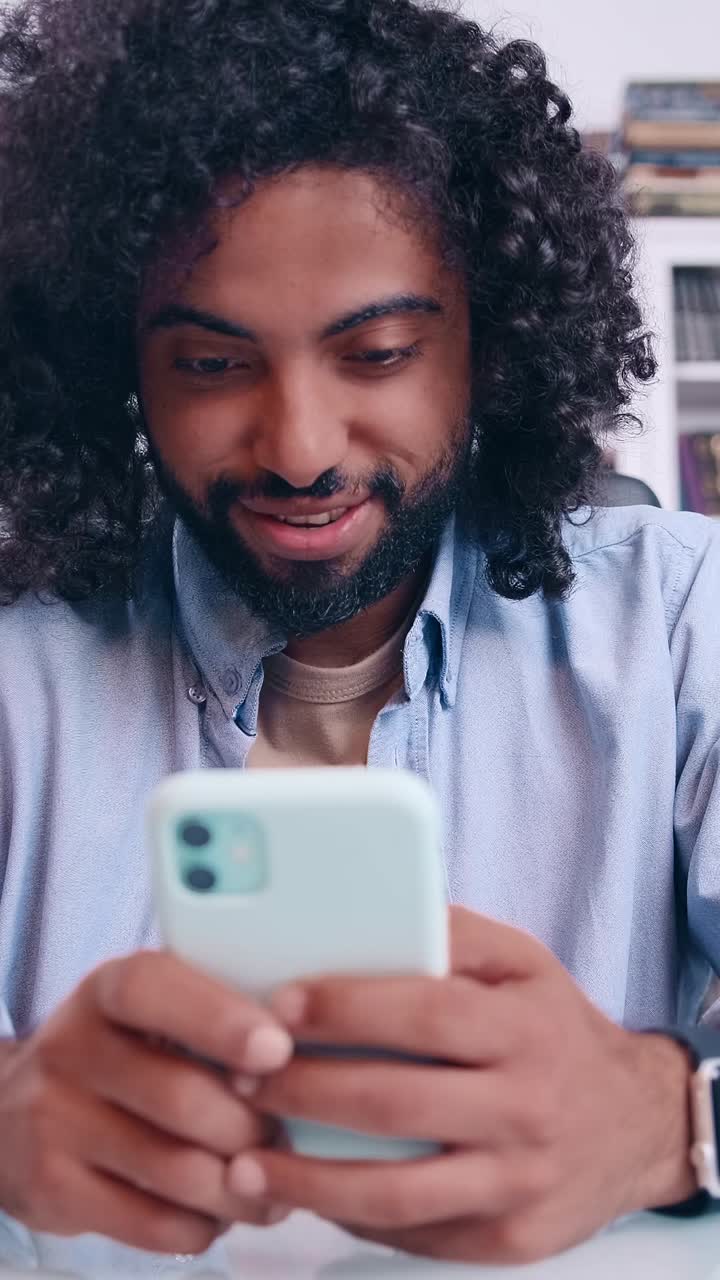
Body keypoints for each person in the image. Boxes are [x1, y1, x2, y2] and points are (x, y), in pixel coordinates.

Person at [0, 0, 718, 1270]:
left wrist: (670, 1119)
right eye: (211, 364)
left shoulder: (681, 620)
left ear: (492, 343)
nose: (300, 448)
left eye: (377, 352)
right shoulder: (19, 668)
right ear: (116, 366)